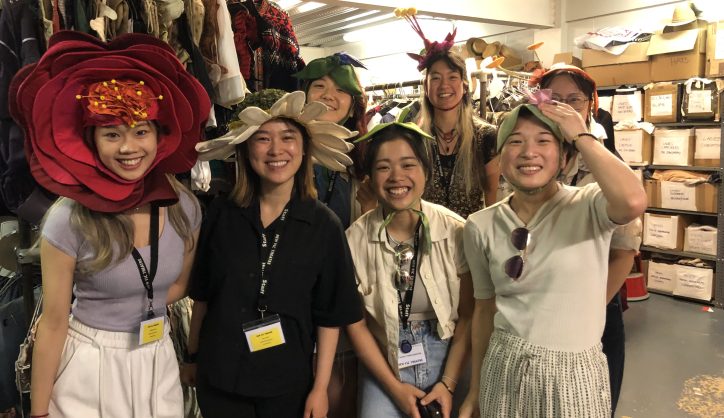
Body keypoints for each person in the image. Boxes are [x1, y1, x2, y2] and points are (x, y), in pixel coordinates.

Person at [11, 31, 211, 418]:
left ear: (160, 136)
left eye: (141, 131)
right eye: (112, 134)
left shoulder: (185, 207)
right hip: (90, 362)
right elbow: (53, 323)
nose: (128, 148)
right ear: (91, 140)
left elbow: (180, 285)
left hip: (158, 357)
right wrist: (38, 412)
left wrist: (136, 307)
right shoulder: (68, 219)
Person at [460, 103, 646, 417]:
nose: (528, 152)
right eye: (515, 141)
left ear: (563, 158)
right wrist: (475, 390)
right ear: (500, 159)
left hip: (575, 376)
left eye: (543, 140)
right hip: (503, 368)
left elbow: (633, 201)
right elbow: (484, 309)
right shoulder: (480, 225)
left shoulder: (589, 205)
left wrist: (582, 136)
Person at [185, 90, 363, 418]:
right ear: (245, 148)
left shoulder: (324, 226)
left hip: (288, 387)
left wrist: (320, 388)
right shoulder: (221, 214)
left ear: (304, 147)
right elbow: (202, 296)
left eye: (288, 137)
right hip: (220, 379)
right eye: (263, 138)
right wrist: (192, 356)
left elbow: (330, 317)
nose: (276, 150)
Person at [533, 64, 642, 413]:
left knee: (591, 403)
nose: (563, 107)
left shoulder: (605, 162)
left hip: (595, 305)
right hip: (537, 306)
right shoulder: (530, 156)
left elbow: (625, 250)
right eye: (553, 98)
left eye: (574, 100)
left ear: (589, 106)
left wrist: (590, 309)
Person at [345, 121, 473, 418]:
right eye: (383, 167)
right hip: (386, 363)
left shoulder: (456, 231)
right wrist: (393, 388)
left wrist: (448, 384)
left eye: (408, 165)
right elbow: (356, 324)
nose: (396, 177)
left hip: (451, 360)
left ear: (425, 171)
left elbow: (469, 315)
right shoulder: (354, 239)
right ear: (370, 177)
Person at [293, 52, 372, 418]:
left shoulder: (360, 162)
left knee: (337, 392)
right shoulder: (284, 155)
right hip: (290, 295)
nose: (329, 95)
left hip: (337, 295)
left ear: (353, 105)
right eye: (319, 86)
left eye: (341, 90)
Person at [396, 8, 499, 219]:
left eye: (452, 77)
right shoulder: (413, 138)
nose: (444, 85)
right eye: (435, 78)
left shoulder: (486, 136)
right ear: (426, 86)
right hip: (426, 234)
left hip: (471, 235)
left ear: (464, 84)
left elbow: (493, 200)